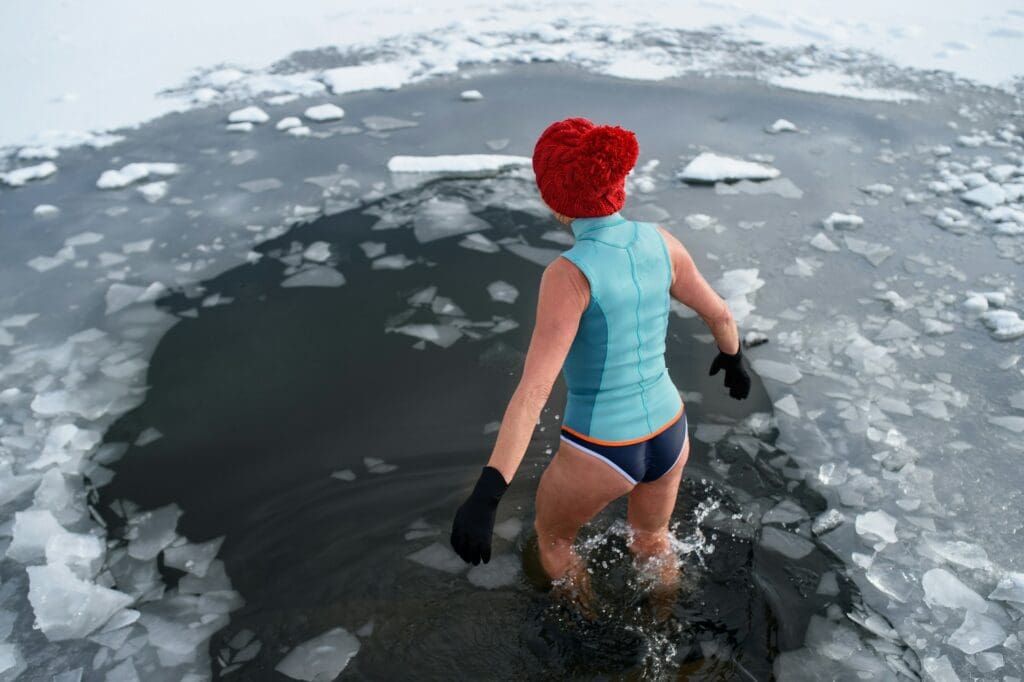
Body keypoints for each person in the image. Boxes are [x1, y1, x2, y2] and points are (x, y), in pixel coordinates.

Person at [449, 117, 750, 613]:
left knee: (554, 541)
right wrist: (733, 358)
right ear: (617, 182)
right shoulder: (662, 242)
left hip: (602, 448)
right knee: (653, 540)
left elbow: (533, 393)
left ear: (553, 197)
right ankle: (665, 628)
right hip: (670, 432)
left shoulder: (568, 276)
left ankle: (590, 641)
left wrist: (487, 494)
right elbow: (719, 312)